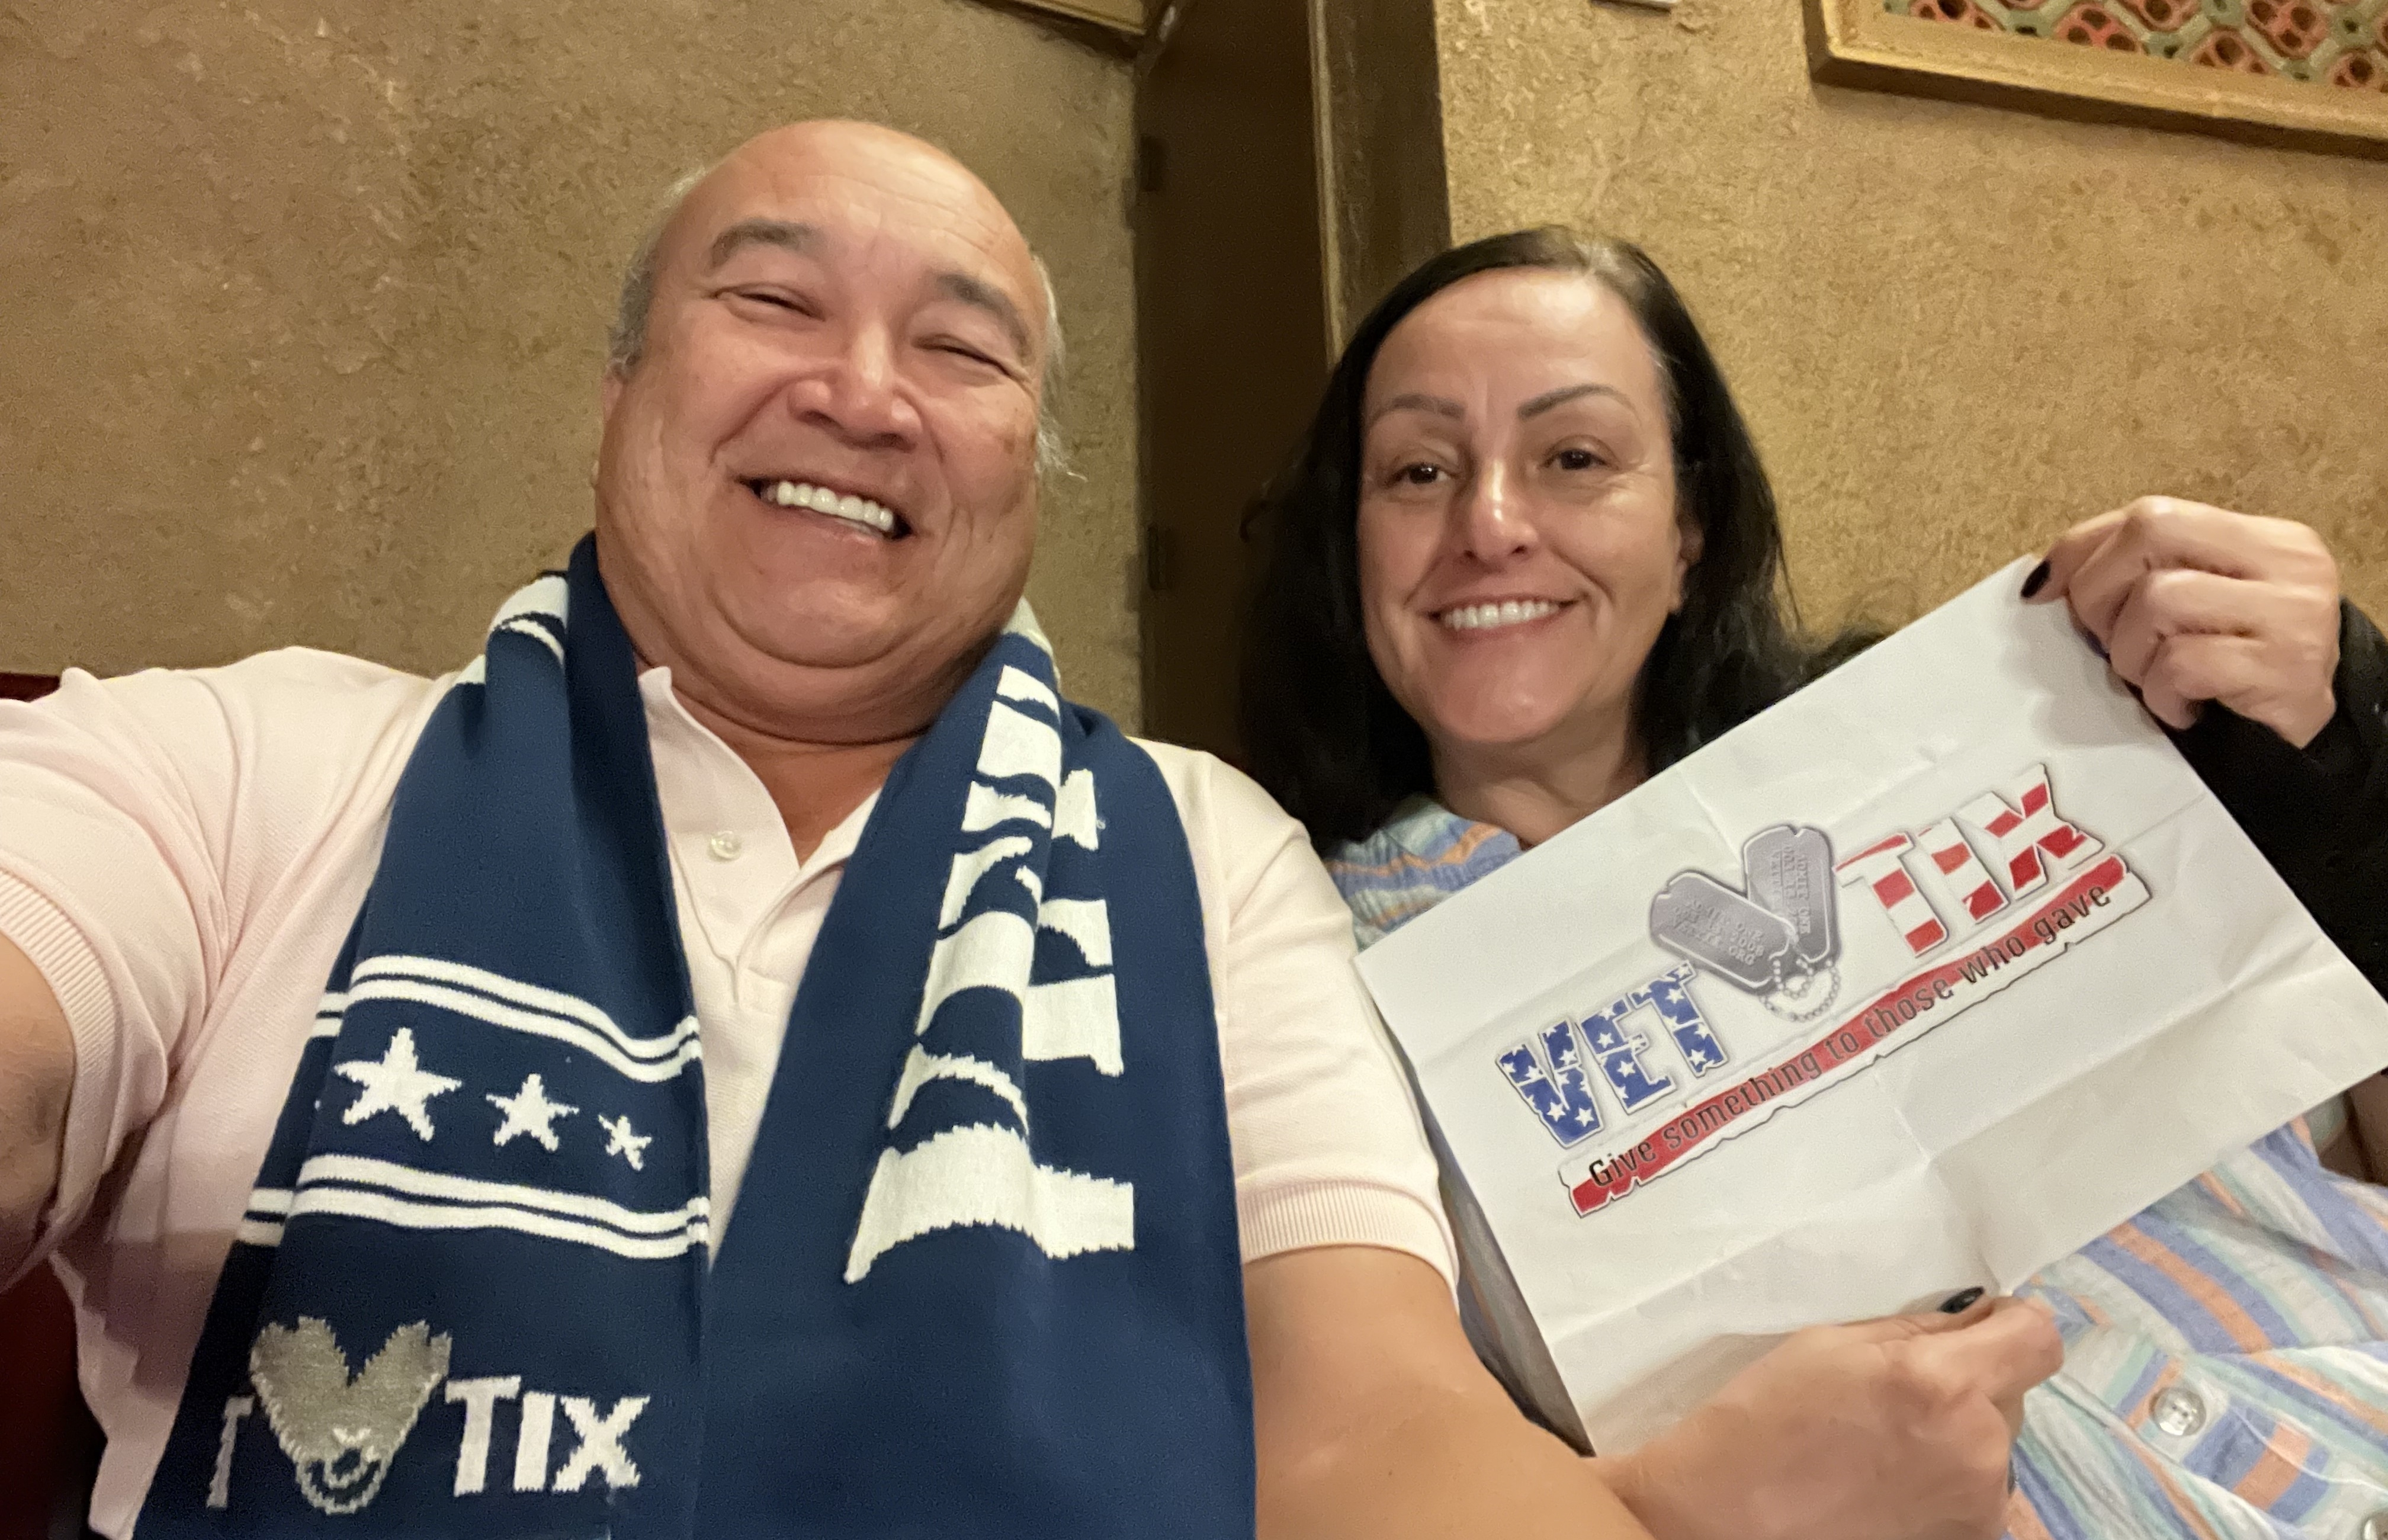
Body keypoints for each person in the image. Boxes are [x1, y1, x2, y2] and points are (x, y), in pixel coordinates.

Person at [0, 123, 1693, 1539]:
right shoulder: (243, 769)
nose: (866, 393)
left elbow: (1375, 1419)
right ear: (619, 386)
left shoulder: (1211, 853)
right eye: (773, 301)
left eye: (961, 351)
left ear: (1031, 469)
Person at [1239, 226, 2388, 1540]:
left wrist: (2345, 760)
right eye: (1418, 471)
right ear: (1353, 551)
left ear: (1690, 529)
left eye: (1575, 458)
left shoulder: (2007, 735)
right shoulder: (1296, 966)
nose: (1491, 525)